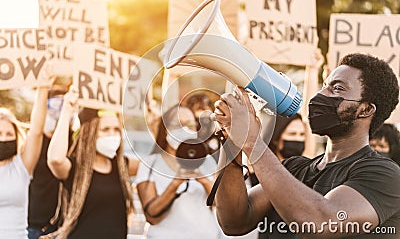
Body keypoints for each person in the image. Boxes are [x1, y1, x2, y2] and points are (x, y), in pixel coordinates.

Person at [212, 53, 400, 238]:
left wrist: (252, 141)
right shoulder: (293, 169)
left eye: (338, 89)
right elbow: (233, 222)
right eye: (325, 86)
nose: (321, 94)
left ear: (365, 109)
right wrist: (233, 138)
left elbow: (320, 223)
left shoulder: (384, 174)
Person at [43, 87, 138, 239]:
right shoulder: (74, 168)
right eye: (105, 129)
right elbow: (55, 159)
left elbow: (154, 165)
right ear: (90, 133)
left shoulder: (122, 166)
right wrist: (66, 112)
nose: (112, 135)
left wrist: (153, 124)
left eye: (116, 129)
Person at [135, 104, 220, 239]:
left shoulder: (208, 161)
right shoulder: (150, 164)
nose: (184, 129)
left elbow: (221, 204)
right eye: (177, 124)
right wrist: (176, 183)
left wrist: (202, 179)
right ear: (165, 129)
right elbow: (151, 216)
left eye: (190, 125)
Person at [0, 85, 51, 238]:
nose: (3, 138)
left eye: (9, 134)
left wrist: (43, 89)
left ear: (16, 137)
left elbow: (36, 131)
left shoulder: (21, 167)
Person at [27, 86, 72, 239]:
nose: (57, 111)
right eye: (53, 105)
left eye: (62, 105)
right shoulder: (32, 142)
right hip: (33, 226)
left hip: (63, 227)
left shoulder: (73, 142)